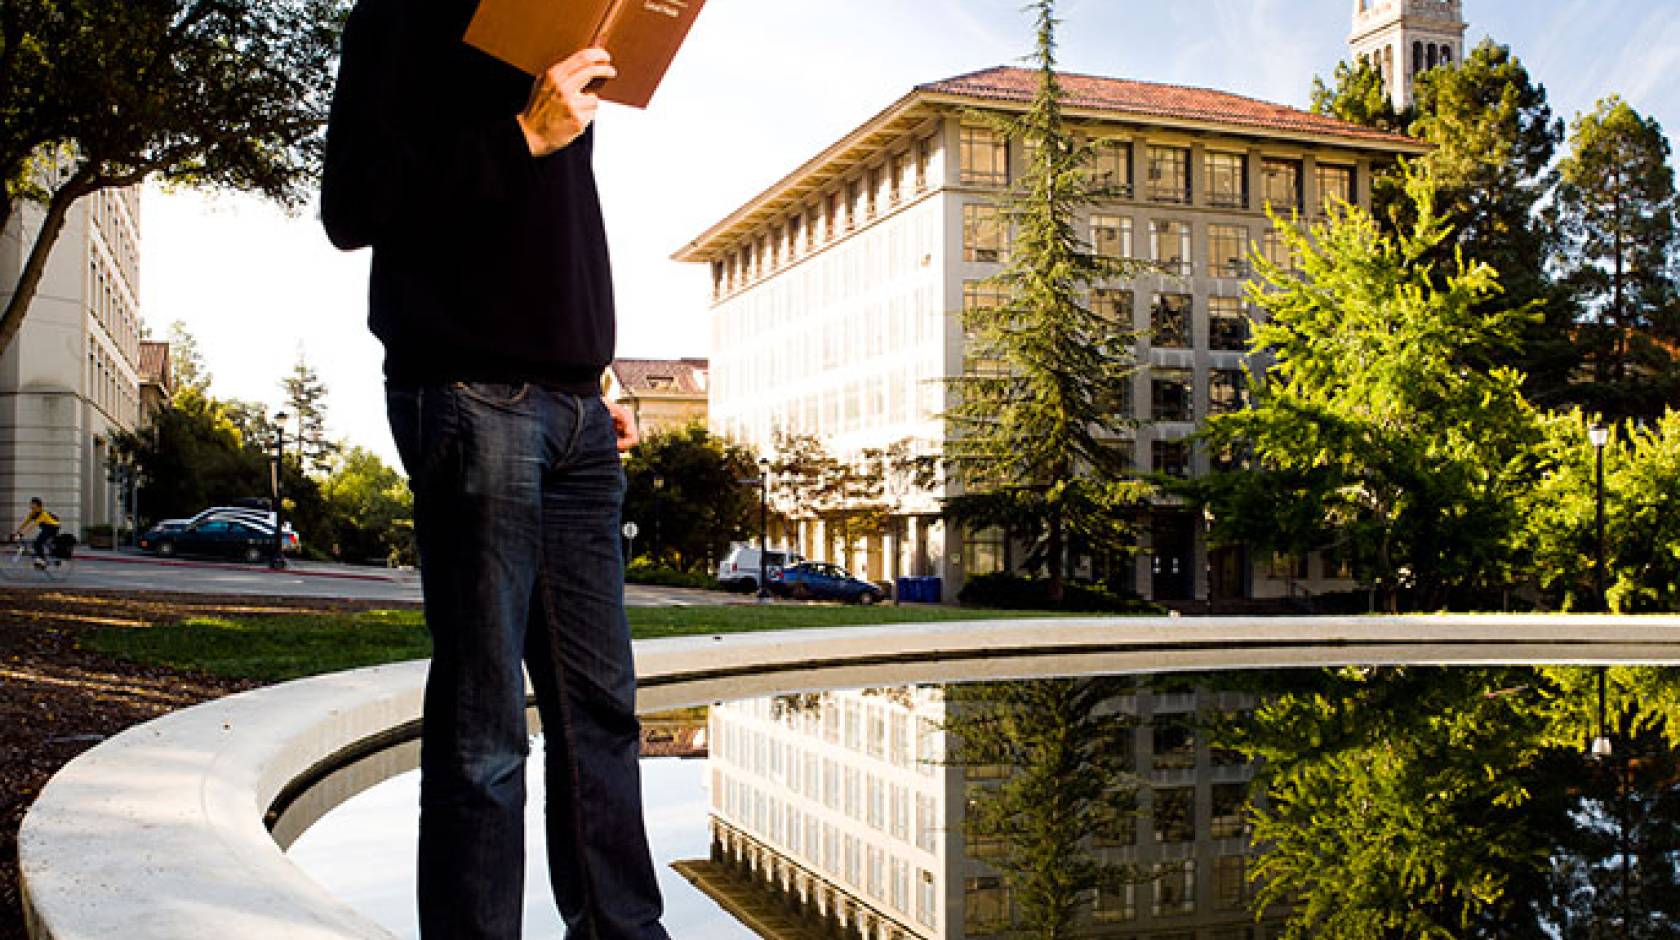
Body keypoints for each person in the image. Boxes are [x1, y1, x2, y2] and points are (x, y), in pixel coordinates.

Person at [320, 2, 669, 937]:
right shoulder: (399, 17)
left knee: (602, 717)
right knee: (484, 732)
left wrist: (593, 367)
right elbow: (351, 208)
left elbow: (553, 223)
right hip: (469, 395)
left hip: (577, 413)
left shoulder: (555, 21)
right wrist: (523, 131)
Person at [14, 498, 60, 568]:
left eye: (33, 504)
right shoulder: (33, 513)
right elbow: (26, 523)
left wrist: (22, 534)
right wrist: (17, 531)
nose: (31, 506)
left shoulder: (43, 514)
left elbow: (33, 526)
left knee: (37, 542)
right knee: (38, 542)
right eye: (31, 504)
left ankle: (42, 560)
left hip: (53, 528)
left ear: (38, 506)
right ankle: (45, 557)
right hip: (46, 529)